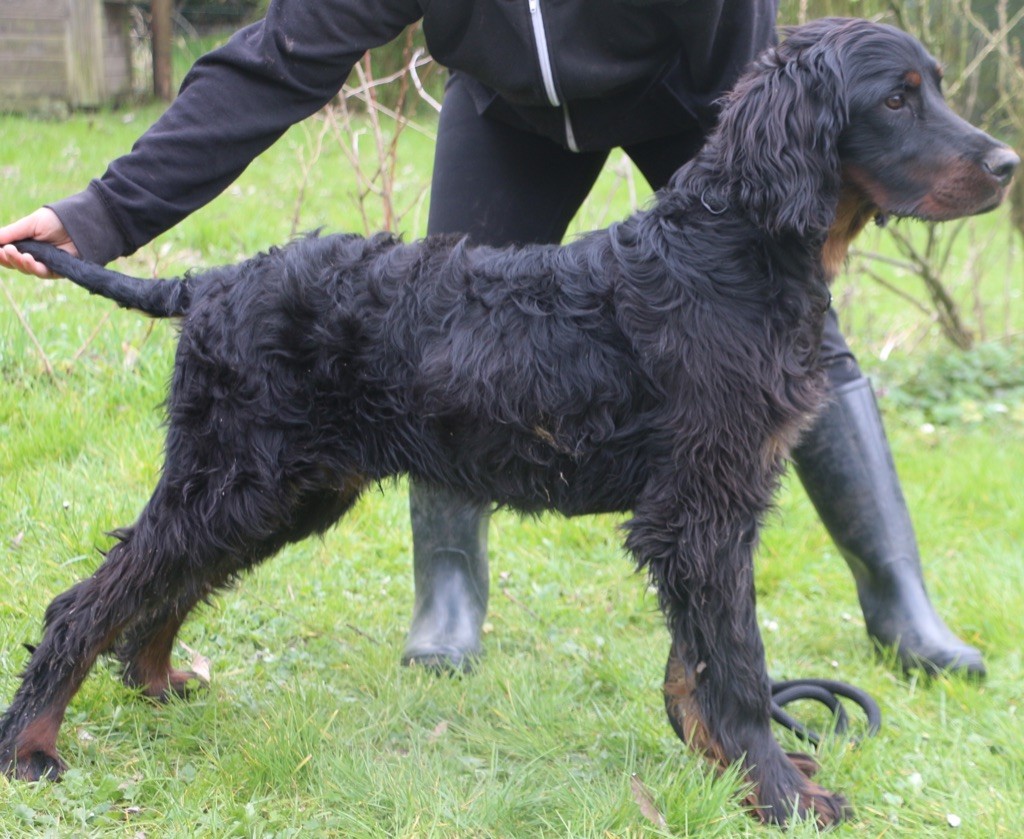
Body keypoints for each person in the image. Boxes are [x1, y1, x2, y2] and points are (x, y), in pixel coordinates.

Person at [0, 0, 984, 678]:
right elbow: (272, 66)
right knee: (447, 343)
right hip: (506, 113)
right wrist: (102, 212)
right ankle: (448, 594)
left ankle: (896, 597)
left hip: (693, 102)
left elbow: (765, 83)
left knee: (786, 330)